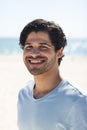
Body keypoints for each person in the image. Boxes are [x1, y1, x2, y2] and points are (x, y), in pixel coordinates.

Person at [17, 19, 87, 130]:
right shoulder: (23, 94)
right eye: (29, 47)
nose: (34, 54)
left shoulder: (77, 101)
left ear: (59, 52)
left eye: (43, 47)